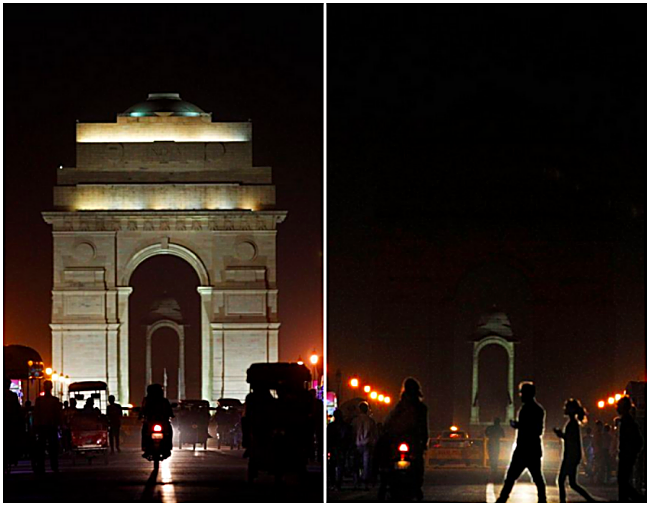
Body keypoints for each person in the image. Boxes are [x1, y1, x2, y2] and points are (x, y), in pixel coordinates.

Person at [496, 381, 546, 503]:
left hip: (524, 449)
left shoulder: (526, 410)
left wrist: (519, 425)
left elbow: (535, 430)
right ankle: (542, 500)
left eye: (522, 393)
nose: (520, 395)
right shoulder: (538, 409)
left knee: (511, 477)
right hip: (533, 449)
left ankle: (502, 500)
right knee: (537, 478)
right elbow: (538, 430)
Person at [383, 377, 429, 500]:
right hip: (413, 443)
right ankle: (416, 488)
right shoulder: (421, 408)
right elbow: (423, 428)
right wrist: (424, 443)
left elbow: (388, 423)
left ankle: (385, 484)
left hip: (397, 441)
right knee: (418, 465)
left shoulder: (399, 406)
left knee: (389, 465)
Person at [553, 399, 595, 503]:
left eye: (566, 407)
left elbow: (570, 439)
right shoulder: (573, 423)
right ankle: (590, 500)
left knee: (562, 480)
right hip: (573, 456)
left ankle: (563, 502)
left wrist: (560, 434)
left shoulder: (572, 424)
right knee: (572, 483)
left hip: (570, 456)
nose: (564, 409)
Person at [615, 396, 644, 502]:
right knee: (623, 482)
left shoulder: (628, 422)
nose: (616, 408)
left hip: (626, 457)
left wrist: (630, 454)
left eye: (618, 406)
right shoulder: (626, 421)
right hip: (626, 456)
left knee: (623, 482)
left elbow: (638, 441)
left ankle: (639, 499)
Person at [33, 380, 63, 473]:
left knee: (41, 447)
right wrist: (59, 424)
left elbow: (36, 414)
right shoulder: (55, 401)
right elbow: (58, 414)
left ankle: (41, 466)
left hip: (42, 426)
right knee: (53, 447)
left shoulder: (39, 401)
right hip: (51, 425)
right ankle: (54, 466)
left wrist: (35, 426)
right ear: (52, 387)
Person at [140, 384, 174, 458]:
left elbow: (142, 410)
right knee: (169, 431)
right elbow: (170, 411)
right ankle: (167, 447)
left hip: (153, 422)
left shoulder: (147, 400)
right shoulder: (164, 401)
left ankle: (145, 448)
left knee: (145, 432)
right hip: (160, 422)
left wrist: (140, 416)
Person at [351, 401, 378, 489]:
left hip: (357, 444)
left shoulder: (355, 420)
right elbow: (375, 434)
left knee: (356, 463)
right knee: (367, 464)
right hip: (367, 444)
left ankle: (356, 482)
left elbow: (352, 432)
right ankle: (365, 482)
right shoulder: (371, 421)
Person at [327, 408, 353, 491]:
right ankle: (338, 483)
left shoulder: (331, 426)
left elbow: (328, 437)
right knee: (340, 465)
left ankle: (333, 482)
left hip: (333, 447)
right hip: (342, 447)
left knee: (332, 465)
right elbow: (349, 437)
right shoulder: (346, 426)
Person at [4, 377, 23, 469]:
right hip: (11, 421)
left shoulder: (12, 396)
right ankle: (12, 457)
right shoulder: (12, 396)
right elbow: (17, 409)